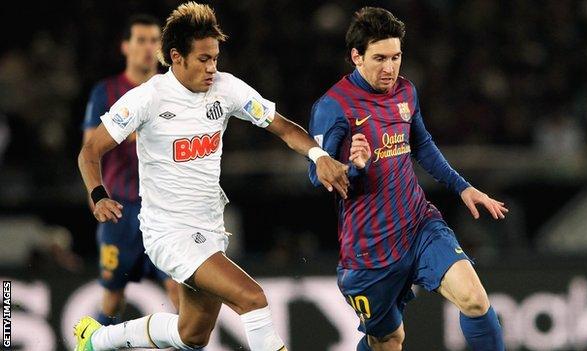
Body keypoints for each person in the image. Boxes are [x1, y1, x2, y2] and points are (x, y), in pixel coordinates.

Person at [74, 2, 349, 351]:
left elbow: (282, 127)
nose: (212, 67)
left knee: (192, 335)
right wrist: (99, 195)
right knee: (253, 298)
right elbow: (90, 151)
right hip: (168, 231)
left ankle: (97, 338)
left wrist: (319, 155)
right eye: (203, 59)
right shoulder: (148, 98)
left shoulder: (226, 88)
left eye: (215, 58)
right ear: (176, 57)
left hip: (210, 228)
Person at [308, 7, 508, 351]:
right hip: (369, 250)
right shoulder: (333, 106)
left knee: (475, 299)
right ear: (356, 57)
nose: (390, 68)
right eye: (380, 58)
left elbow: (422, 144)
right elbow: (317, 177)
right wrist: (353, 167)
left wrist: (463, 187)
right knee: (388, 340)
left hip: (418, 225)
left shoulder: (405, 91)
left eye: (396, 57)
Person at [82, 13, 180, 327]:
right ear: (125, 46)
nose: (148, 47)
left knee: (179, 292)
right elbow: (90, 149)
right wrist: (95, 195)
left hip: (164, 210)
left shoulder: (174, 89)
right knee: (113, 298)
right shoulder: (106, 93)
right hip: (120, 213)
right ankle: (93, 346)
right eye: (141, 40)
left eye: (154, 40)